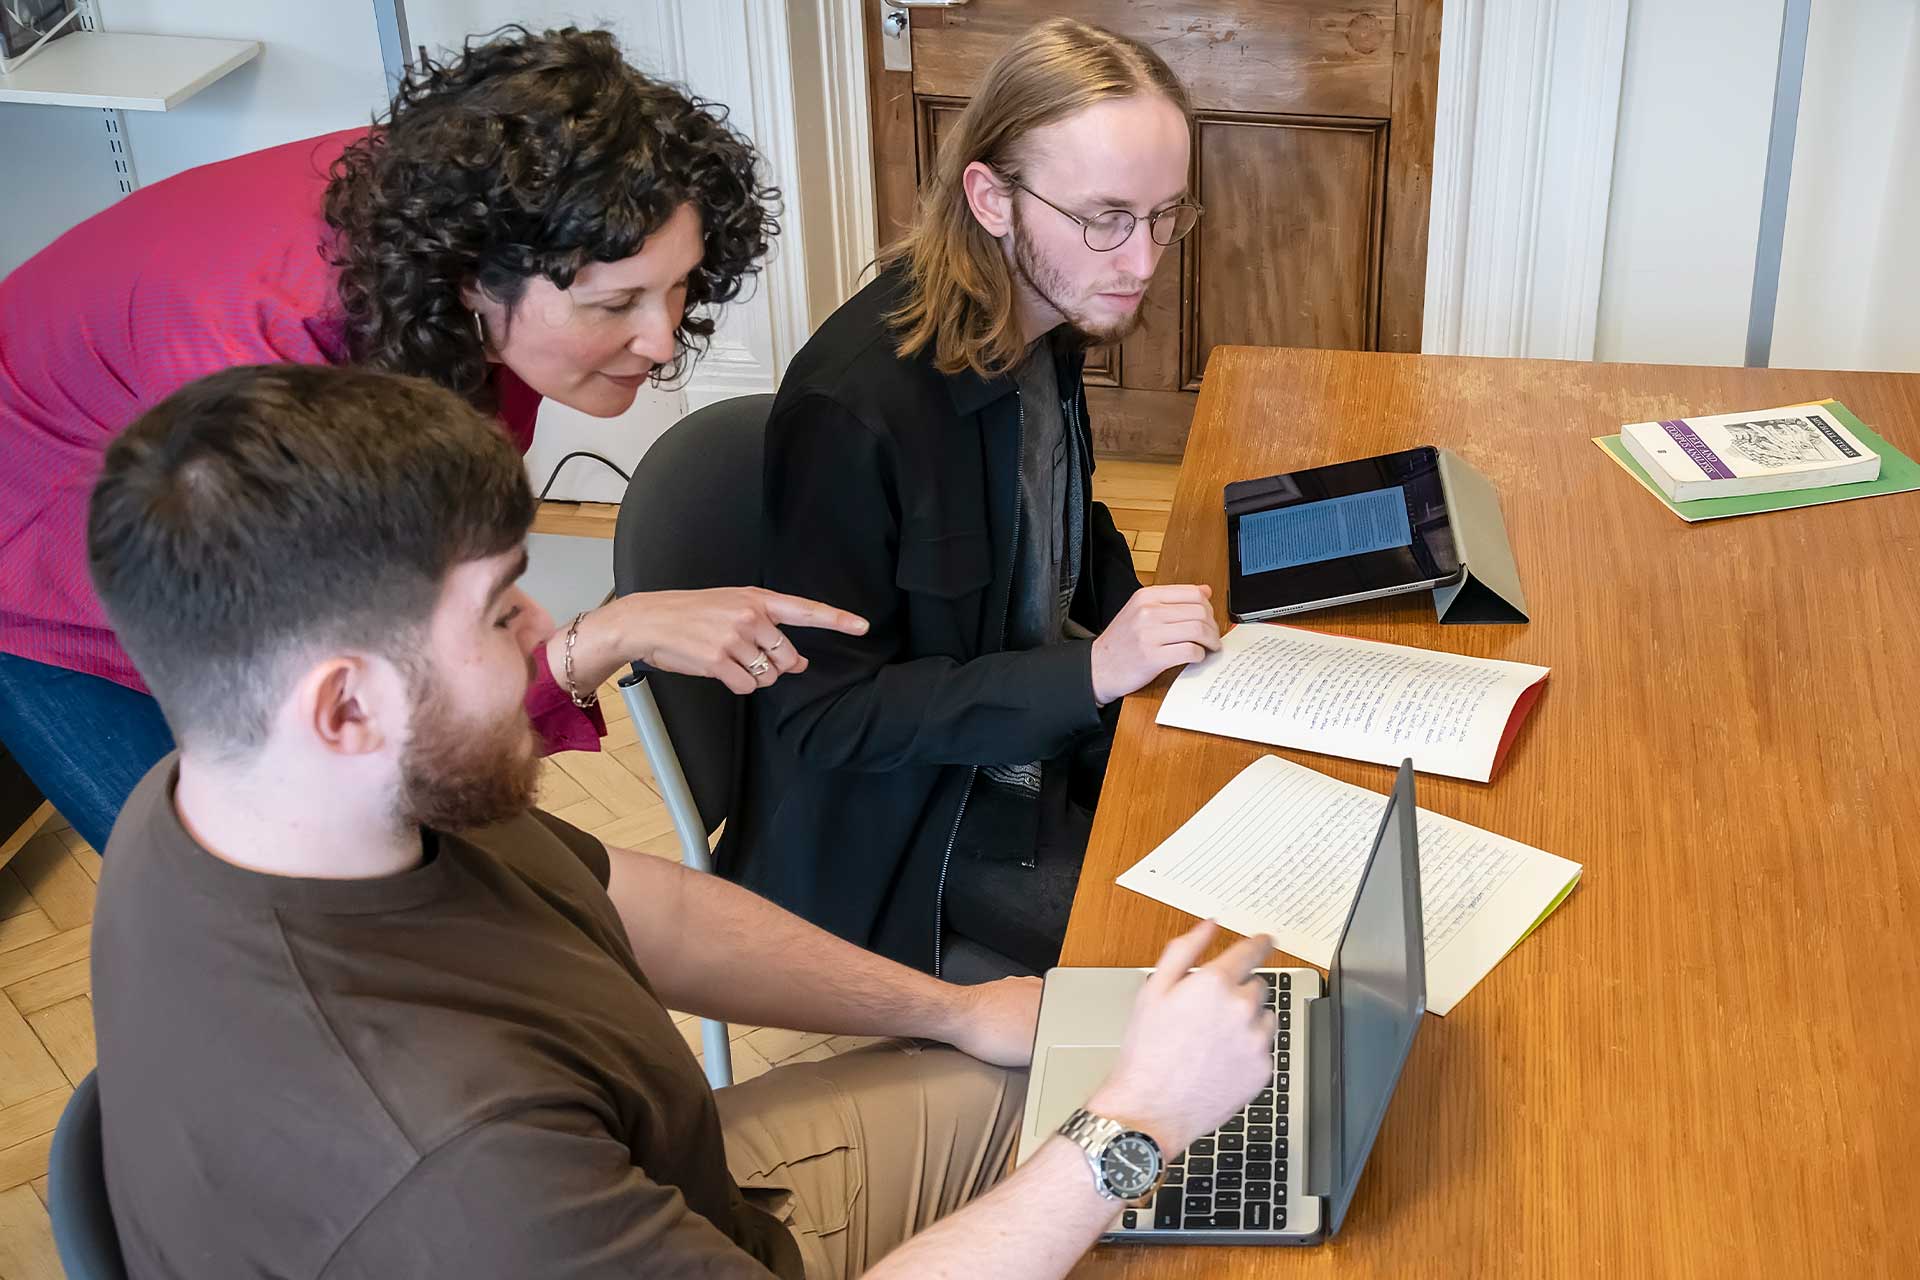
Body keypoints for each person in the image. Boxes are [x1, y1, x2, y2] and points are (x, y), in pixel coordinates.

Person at [88, 362, 1277, 1279]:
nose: (547, 638)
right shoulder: (452, 1162)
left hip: (676, 1192)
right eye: (500, 614)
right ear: (345, 703)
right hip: (590, 1214)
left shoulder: (260, 798)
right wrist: (1134, 1127)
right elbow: (491, 1187)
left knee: (1125, 1099)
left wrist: (956, 1010)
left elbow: (630, 901)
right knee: (1163, 1180)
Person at [0, 26, 861, 854]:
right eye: (614, 306)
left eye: (676, 288)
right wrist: (600, 638)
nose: (664, 340)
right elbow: (371, 694)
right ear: (471, 280)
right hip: (38, 542)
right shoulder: (283, 375)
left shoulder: (476, 207)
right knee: (262, 882)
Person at [726, 19, 1220, 979]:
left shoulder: (1050, 312)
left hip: (1027, 740)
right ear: (992, 198)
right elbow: (827, 719)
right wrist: (1091, 675)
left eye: (1167, 215)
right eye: (1106, 217)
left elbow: (1057, 525)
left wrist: (1156, 641)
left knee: (1268, 831)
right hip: (913, 823)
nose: (1145, 259)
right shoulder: (856, 405)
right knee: (1221, 961)